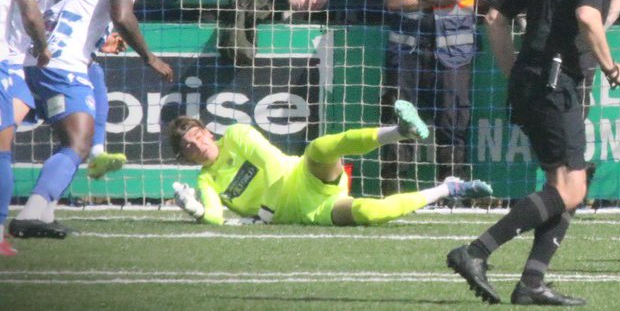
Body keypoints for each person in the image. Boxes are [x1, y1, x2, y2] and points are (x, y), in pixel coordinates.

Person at [447, 0, 620, 307]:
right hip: (556, 82)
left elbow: (494, 18)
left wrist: (515, 70)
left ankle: (531, 283)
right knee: (570, 189)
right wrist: (611, 67)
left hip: (532, 80)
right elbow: (588, 15)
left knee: (569, 182)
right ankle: (475, 252)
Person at [8, 0, 173, 239]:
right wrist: (150, 57)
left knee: (66, 142)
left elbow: (83, 15)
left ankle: (43, 213)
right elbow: (122, 16)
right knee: (79, 143)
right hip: (62, 66)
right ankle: (30, 214)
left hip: (35, 62)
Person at [166, 106, 492, 227]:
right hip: (310, 213)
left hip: (303, 177)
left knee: (318, 148)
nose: (198, 144)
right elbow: (215, 218)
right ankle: (448, 187)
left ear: (208, 130)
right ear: (186, 157)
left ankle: (398, 131)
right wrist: (193, 208)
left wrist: (265, 213)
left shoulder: (236, 134)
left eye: (198, 135)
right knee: (370, 213)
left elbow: (274, 167)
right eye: (189, 146)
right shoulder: (207, 180)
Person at [383, 0, 478, 186]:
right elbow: (393, 1)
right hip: (409, 52)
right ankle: (393, 189)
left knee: (452, 121)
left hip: (453, 53)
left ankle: (451, 190)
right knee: (400, 118)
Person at [0, 0, 52, 255]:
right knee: (1, 150)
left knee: (21, 101)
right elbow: (31, 11)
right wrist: (43, 46)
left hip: (12, 65)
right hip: (4, 61)